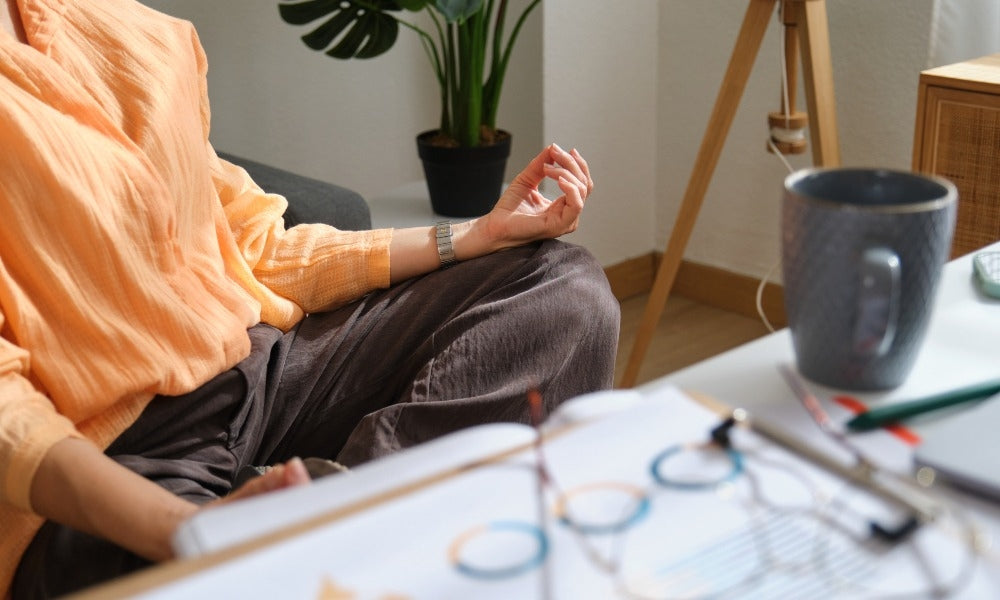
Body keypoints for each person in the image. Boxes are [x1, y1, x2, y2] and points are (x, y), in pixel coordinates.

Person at [0, 0, 619, 596]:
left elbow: (257, 246)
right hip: (111, 461)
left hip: (263, 373)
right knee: (226, 583)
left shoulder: (127, 31)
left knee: (564, 290)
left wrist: (476, 235)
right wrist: (189, 529)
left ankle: (340, 520)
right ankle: (348, 541)